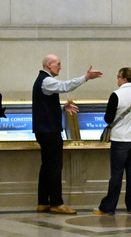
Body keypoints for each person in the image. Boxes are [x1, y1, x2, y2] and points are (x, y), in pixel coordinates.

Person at [33, 54, 103, 214]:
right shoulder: (47, 80)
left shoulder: (42, 80)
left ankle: (43, 202)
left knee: (47, 167)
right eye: (58, 64)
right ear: (48, 65)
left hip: (43, 130)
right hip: (50, 131)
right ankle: (57, 203)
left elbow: (45, 105)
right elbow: (66, 86)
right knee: (55, 167)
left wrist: (62, 108)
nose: (60, 67)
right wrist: (85, 77)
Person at [95, 67, 131, 216]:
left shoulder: (117, 95)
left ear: (124, 79)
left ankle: (108, 207)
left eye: (118, 77)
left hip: (121, 140)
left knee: (116, 174)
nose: (117, 79)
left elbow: (108, 119)